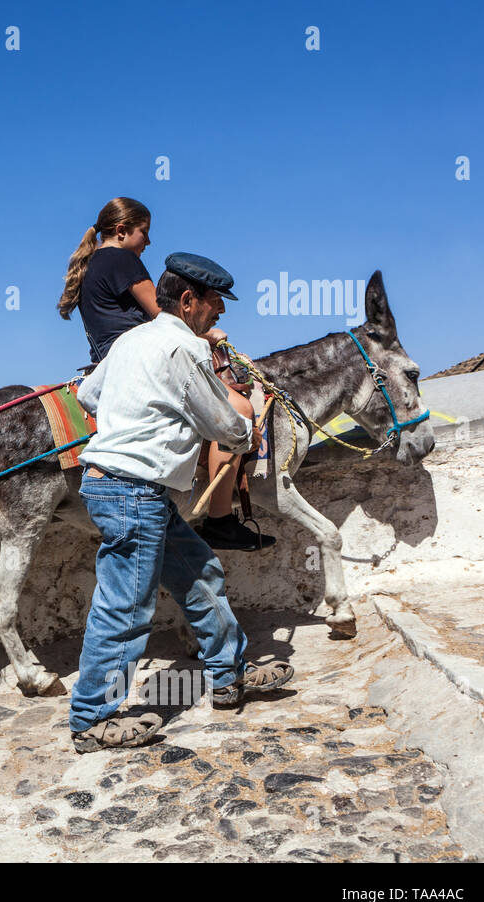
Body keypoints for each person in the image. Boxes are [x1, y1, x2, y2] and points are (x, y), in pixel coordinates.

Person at [67, 253, 295, 753]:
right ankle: (90, 720)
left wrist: (137, 414)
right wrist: (246, 424)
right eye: (216, 302)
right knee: (125, 609)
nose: (220, 313)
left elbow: (87, 395)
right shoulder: (182, 348)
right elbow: (222, 424)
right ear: (189, 301)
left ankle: (227, 674)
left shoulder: (131, 340)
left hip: (125, 488)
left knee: (199, 573)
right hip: (134, 491)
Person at [57, 199, 273, 550]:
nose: (148, 242)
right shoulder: (123, 259)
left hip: (108, 361)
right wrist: (206, 337)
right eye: (144, 232)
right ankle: (220, 519)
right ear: (122, 231)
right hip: (146, 358)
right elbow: (164, 313)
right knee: (242, 409)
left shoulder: (92, 263)